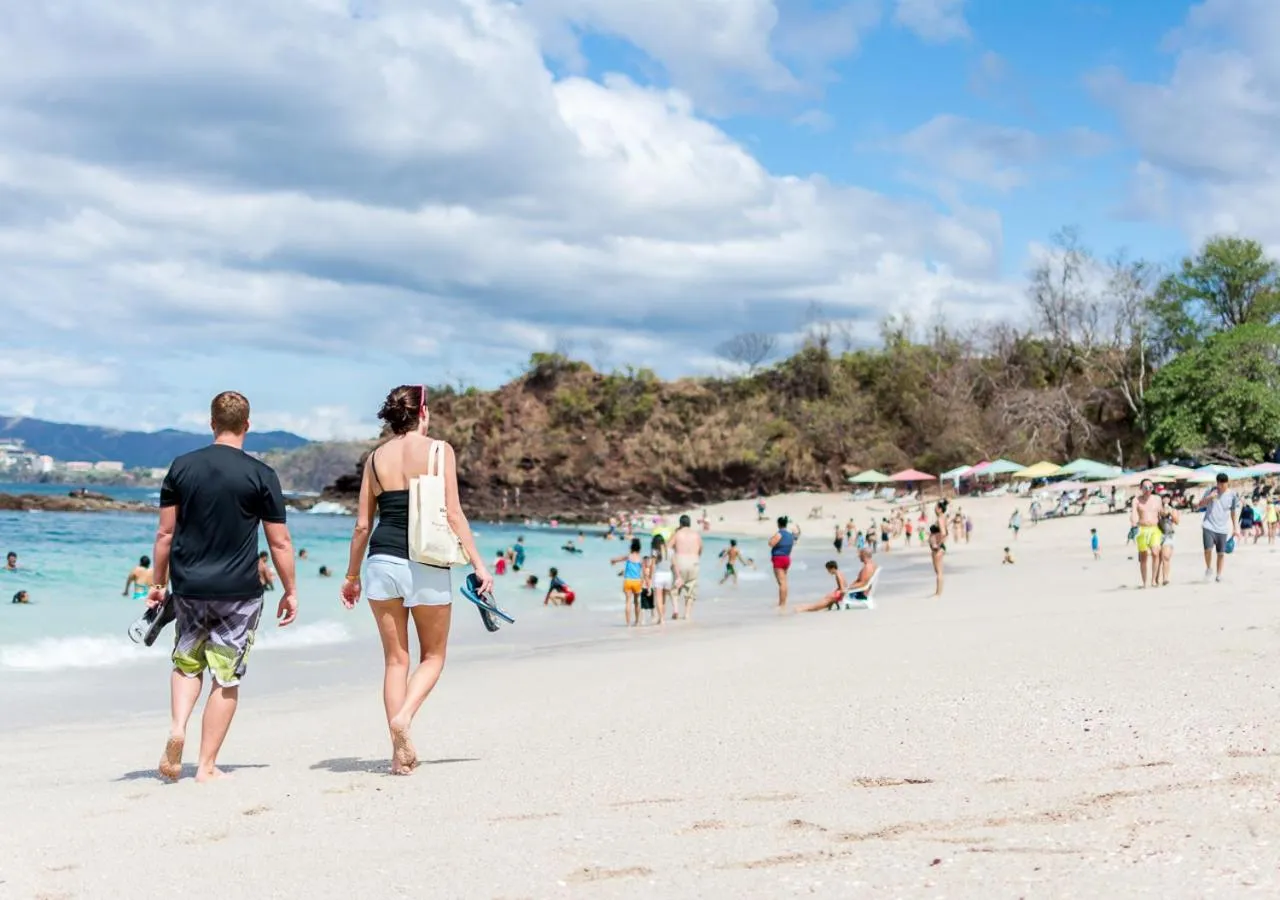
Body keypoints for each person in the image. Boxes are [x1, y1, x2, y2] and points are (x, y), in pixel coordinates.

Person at [146, 391, 298, 783]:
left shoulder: (181, 467)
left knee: (186, 663)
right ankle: (207, 766)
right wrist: (289, 589)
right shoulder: (262, 474)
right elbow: (279, 541)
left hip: (190, 588)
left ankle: (178, 727)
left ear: (211, 422)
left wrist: (157, 583)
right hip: (239, 593)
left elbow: (165, 533)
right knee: (225, 677)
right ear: (247, 425)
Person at [339, 385, 490, 776]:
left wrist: (351, 576)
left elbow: (361, 526)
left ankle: (397, 757)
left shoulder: (374, 459)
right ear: (423, 412)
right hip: (425, 562)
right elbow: (453, 514)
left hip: (381, 562)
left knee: (395, 660)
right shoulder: (440, 451)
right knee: (433, 656)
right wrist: (479, 565)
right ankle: (404, 718)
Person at [797, 550, 877, 612]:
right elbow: (863, 582)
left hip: (858, 593)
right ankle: (806, 607)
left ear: (864, 555)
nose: (859, 556)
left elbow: (863, 583)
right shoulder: (871, 565)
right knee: (828, 598)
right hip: (857, 591)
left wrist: (847, 589)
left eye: (860, 555)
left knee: (827, 600)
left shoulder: (867, 567)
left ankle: (806, 608)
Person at [1198, 472, 1240, 583]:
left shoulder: (1232, 495)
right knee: (1207, 549)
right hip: (1208, 525)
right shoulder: (1211, 491)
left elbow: (1233, 512)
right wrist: (1209, 497)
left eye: (1223, 484)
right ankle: (1208, 568)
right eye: (1219, 484)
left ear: (1227, 483)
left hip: (1222, 528)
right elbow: (1200, 505)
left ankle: (1219, 574)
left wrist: (1235, 528)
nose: (1220, 487)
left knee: (1221, 553)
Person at [1130, 479, 1163, 588]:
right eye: (1146, 487)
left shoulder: (1157, 499)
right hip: (1142, 529)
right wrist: (1133, 522)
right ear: (1141, 488)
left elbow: (1161, 513)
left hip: (1154, 528)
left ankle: (1153, 580)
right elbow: (1134, 513)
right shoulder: (1136, 500)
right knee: (1143, 557)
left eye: (1150, 487)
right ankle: (1145, 582)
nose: (1148, 490)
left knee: (1155, 553)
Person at [670, 514, 703, 621]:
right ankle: (687, 614)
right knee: (691, 589)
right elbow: (701, 549)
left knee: (675, 588)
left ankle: (676, 610)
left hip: (680, 561)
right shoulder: (696, 535)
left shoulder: (677, 534)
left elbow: (667, 548)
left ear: (680, 524)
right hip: (694, 562)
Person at [610, 538, 645, 627]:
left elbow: (618, 559)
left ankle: (628, 623)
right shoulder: (640, 559)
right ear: (639, 548)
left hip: (628, 581)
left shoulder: (629, 556)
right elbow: (644, 572)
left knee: (628, 602)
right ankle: (637, 621)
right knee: (637, 602)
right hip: (637, 581)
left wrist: (613, 561)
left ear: (631, 547)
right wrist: (644, 581)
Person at [769, 517, 798, 608]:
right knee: (784, 582)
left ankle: (782, 604)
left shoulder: (779, 534)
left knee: (781, 583)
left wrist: (772, 538)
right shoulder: (790, 535)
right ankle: (783, 602)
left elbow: (771, 543)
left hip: (778, 558)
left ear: (778, 524)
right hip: (786, 558)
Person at [1154, 497, 1180, 587]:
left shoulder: (1173, 510)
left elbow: (1177, 521)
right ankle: (1156, 578)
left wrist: (1170, 513)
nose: (1165, 500)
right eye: (1163, 498)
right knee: (1157, 558)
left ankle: (1165, 578)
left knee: (1165, 557)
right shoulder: (1157, 509)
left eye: (1167, 498)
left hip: (1169, 535)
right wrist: (1159, 514)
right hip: (1157, 534)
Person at [927, 524, 945, 596]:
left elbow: (934, 546)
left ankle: (938, 592)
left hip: (936, 551)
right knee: (939, 571)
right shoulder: (939, 535)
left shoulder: (933, 536)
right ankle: (938, 591)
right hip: (938, 550)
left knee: (938, 572)